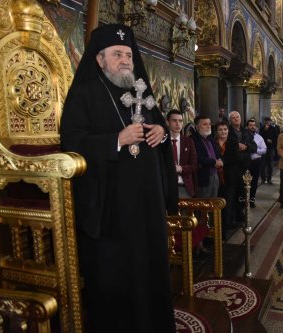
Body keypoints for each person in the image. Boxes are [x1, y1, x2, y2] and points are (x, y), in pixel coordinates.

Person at [60, 24, 177, 332]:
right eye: (117, 54)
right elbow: (72, 142)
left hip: (148, 204)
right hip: (111, 206)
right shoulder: (84, 93)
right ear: (100, 59)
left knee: (150, 268)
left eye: (128, 54)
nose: (126, 60)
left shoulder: (140, 89)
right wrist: (116, 139)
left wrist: (162, 133)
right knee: (118, 276)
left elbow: (161, 126)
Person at [166, 109, 197, 198]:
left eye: (180, 121)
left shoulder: (188, 141)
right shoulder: (162, 141)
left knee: (185, 212)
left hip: (184, 187)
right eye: (174, 120)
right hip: (167, 187)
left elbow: (194, 165)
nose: (177, 124)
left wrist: (181, 168)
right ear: (167, 122)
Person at [192, 115, 223, 198]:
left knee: (214, 202)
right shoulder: (193, 140)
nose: (208, 126)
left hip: (215, 175)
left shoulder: (210, 138)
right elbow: (196, 158)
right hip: (203, 176)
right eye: (205, 124)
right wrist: (214, 162)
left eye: (209, 124)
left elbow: (217, 153)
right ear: (197, 127)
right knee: (203, 204)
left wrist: (219, 159)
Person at [247, 118, 267, 208]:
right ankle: (244, 199)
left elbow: (264, 149)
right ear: (247, 126)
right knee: (245, 182)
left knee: (254, 181)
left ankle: (252, 199)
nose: (252, 127)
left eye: (253, 125)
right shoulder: (244, 136)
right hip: (246, 162)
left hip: (256, 161)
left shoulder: (259, 137)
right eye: (250, 125)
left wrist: (255, 150)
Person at [259, 117, 278, 184]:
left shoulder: (274, 129)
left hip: (270, 148)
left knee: (270, 165)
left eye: (268, 121)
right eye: (266, 122)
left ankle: (269, 179)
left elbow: (276, 138)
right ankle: (263, 179)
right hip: (263, 149)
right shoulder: (261, 129)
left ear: (270, 122)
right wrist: (265, 131)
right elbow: (260, 138)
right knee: (262, 165)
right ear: (264, 122)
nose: (267, 123)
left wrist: (272, 141)